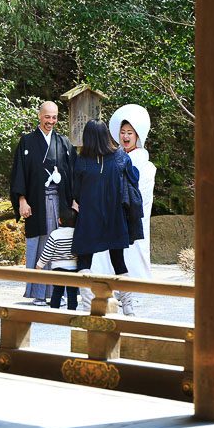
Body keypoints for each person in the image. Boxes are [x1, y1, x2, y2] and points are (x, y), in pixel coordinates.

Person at [87, 105, 156, 316]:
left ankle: (132, 292)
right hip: (112, 214)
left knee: (132, 252)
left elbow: (141, 193)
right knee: (108, 255)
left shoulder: (146, 164)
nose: (125, 137)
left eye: (130, 133)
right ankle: (107, 290)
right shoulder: (112, 157)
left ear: (138, 136)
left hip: (132, 215)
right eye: (123, 132)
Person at [9, 101, 76, 306]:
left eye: (54, 117)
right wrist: (22, 200)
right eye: (47, 117)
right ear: (40, 116)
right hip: (36, 202)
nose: (51, 121)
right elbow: (19, 173)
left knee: (61, 247)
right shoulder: (27, 142)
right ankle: (39, 293)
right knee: (39, 246)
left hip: (60, 202)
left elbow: (73, 174)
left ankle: (60, 292)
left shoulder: (63, 142)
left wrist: (74, 201)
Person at [71, 120, 143, 303]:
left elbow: (75, 191)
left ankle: (87, 306)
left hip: (89, 217)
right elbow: (134, 178)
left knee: (84, 261)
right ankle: (128, 307)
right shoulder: (120, 157)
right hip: (115, 216)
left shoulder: (81, 161)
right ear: (106, 135)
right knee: (118, 261)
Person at [35, 206, 79, 310]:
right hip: (73, 268)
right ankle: (72, 311)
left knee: (57, 291)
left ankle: (54, 309)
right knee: (72, 292)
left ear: (59, 220)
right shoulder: (77, 234)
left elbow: (47, 252)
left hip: (58, 269)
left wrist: (39, 265)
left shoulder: (55, 234)